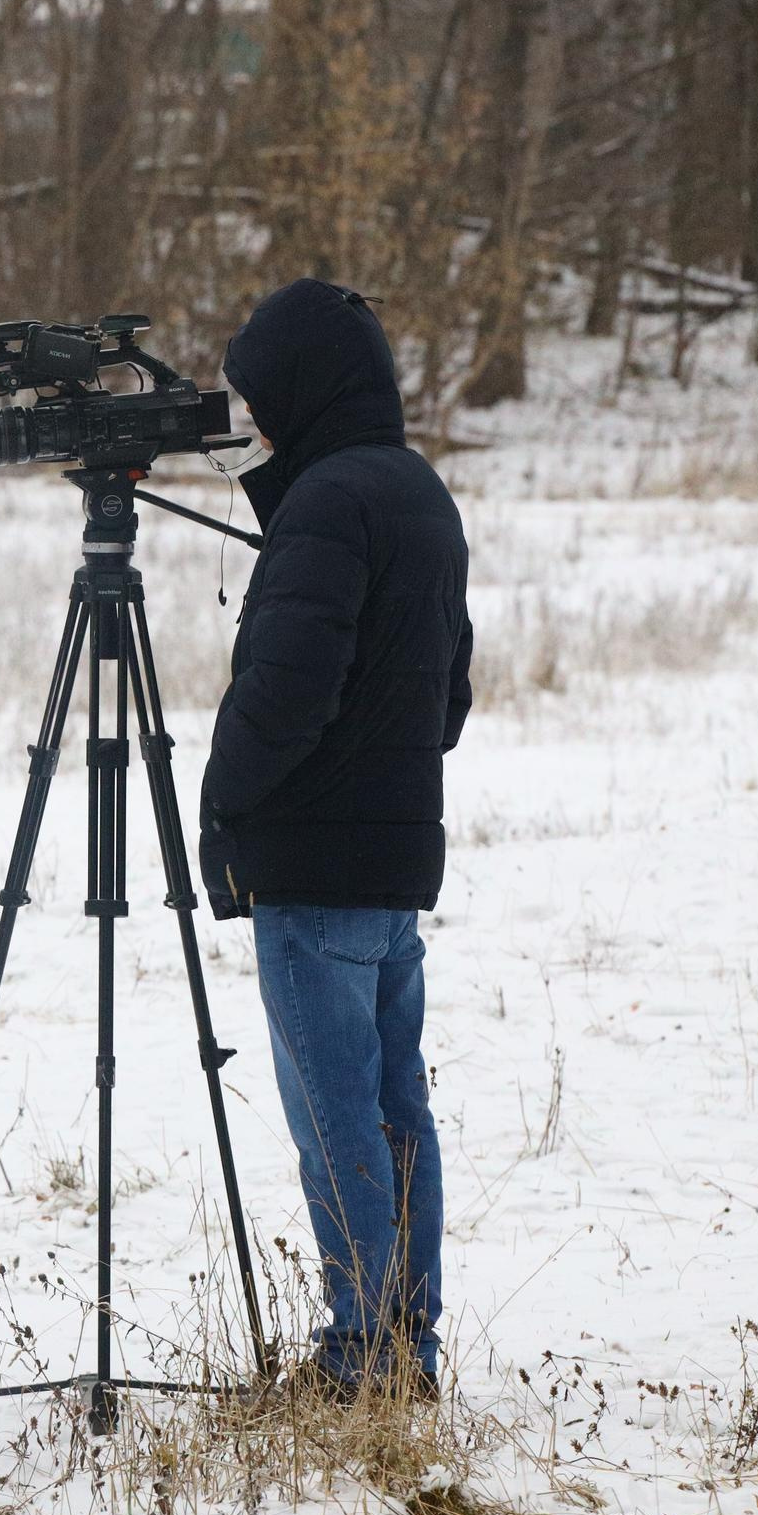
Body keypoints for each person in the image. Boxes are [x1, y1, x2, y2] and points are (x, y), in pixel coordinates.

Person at [199, 279, 474, 1400]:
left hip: (313, 871)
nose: (247, 428)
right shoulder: (415, 491)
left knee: (336, 1123)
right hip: (390, 864)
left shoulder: (323, 505)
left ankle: (362, 1357)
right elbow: (447, 697)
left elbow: (285, 694)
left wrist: (221, 803)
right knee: (392, 1107)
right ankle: (406, 1346)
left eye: (256, 402)